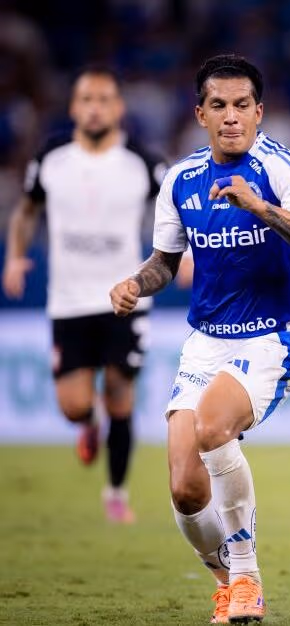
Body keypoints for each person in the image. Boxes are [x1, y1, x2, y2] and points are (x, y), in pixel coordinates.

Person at [109, 53, 290, 624]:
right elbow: (166, 262)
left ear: (259, 112)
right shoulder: (180, 181)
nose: (232, 117)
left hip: (270, 338)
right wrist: (136, 283)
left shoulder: (283, 167)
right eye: (219, 106)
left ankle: (247, 580)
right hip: (205, 343)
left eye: (242, 106)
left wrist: (261, 207)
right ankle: (226, 582)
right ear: (200, 114)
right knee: (185, 489)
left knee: (214, 426)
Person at [2, 67, 167, 523]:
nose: (95, 107)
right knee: (74, 406)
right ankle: (88, 424)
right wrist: (15, 257)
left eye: (104, 99)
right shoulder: (51, 158)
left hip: (126, 296)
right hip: (69, 300)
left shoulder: (143, 162)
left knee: (120, 393)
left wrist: (183, 253)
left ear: (118, 108)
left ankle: (115, 494)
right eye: (87, 99)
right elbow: (26, 212)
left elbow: (177, 209)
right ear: (74, 107)